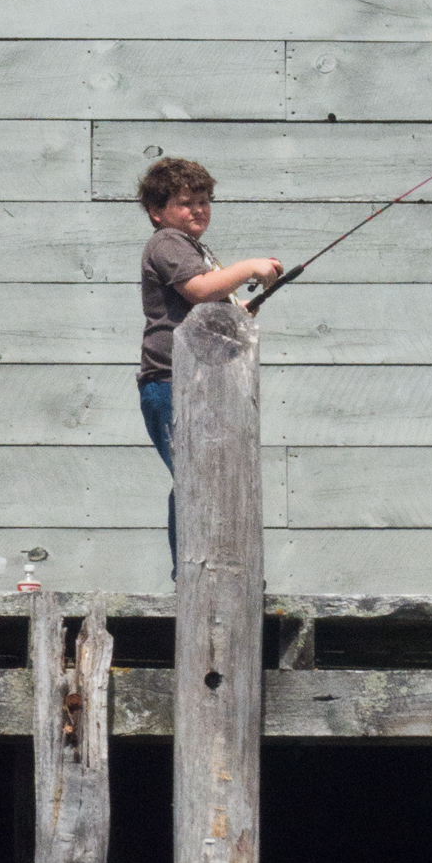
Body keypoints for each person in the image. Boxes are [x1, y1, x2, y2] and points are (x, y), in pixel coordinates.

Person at [136, 158, 281, 577]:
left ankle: (210, 567)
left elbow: (209, 303)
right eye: (185, 202)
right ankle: (193, 572)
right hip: (170, 382)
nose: (198, 209)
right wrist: (250, 267)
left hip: (198, 382)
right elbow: (200, 290)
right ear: (157, 211)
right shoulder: (167, 242)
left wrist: (238, 309)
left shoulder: (194, 248)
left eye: (204, 201)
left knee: (209, 475)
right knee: (195, 475)